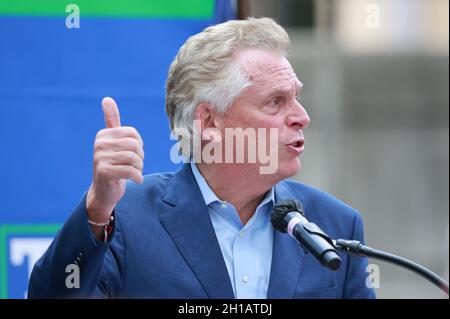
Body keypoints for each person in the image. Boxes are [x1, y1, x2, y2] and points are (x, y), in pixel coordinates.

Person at [28, 18, 375, 299]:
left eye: (296, 98)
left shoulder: (336, 225)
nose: (302, 116)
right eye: (275, 102)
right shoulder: (125, 218)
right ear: (209, 121)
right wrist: (97, 208)